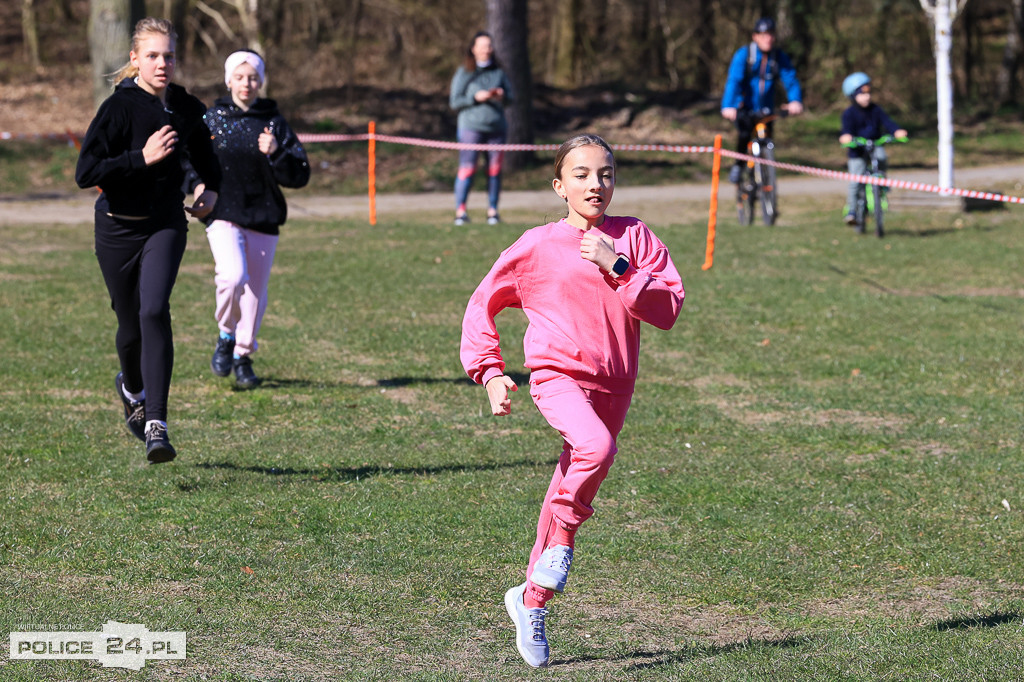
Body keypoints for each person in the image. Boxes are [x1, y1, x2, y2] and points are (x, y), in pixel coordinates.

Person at [460, 134, 685, 667]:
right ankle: (560, 544)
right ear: (560, 186)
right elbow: (482, 302)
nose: (595, 184)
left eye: (605, 174)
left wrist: (619, 266)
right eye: (581, 175)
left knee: (573, 473)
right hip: (556, 374)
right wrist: (490, 372)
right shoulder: (536, 244)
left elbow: (667, 309)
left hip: (616, 384)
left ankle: (531, 599)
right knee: (596, 449)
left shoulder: (634, 237)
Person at [75, 17, 221, 463]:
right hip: (117, 227)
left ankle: (157, 421)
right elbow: (86, 172)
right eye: (153, 55)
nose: (162, 64)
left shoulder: (186, 107)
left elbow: (206, 158)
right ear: (135, 59)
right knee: (129, 326)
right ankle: (131, 388)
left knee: (154, 309)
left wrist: (209, 190)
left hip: (165, 224)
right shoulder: (118, 109)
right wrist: (141, 157)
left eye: (169, 56)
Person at [187, 50, 310, 388]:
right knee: (233, 276)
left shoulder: (274, 122)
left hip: (263, 215)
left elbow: (300, 174)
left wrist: (277, 152)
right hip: (223, 212)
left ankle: (243, 355)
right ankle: (226, 335)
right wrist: (196, 186)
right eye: (240, 77)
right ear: (228, 80)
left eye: (253, 78)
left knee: (255, 294)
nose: (247, 84)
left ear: (261, 82)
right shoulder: (211, 119)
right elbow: (189, 159)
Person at [720, 16, 804, 183]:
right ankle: (738, 166)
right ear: (755, 37)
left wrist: (795, 100)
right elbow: (734, 81)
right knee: (744, 135)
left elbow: (790, 80)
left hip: (767, 110)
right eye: (764, 35)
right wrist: (729, 105)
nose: (768, 38)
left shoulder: (778, 57)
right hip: (745, 108)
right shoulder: (744, 55)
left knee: (768, 141)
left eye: (771, 34)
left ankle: (767, 183)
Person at [448, 31, 514, 226]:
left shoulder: (499, 72)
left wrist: (502, 96)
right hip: (471, 127)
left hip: (497, 128)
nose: (487, 49)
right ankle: (461, 212)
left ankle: (493, 212)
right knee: (467, 169)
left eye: (489, 46)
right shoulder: (464, 72)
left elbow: (511, 98)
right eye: (483, 46)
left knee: (494, 170)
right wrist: (474, 98)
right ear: (473, 49)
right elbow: (455, 101)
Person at [838, 72, 908, 225]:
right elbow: (846, 130)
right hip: (857, 150)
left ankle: (881, 185)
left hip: (875, 145)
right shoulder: (849, 114)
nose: (866, 97)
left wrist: (896, 131)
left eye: (868, 93)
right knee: (855, 181)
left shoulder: (876, 110)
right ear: (852, 96)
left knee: (882, 157)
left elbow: (887, 122)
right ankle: (852, 210)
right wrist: (846, 137)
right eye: (862, 94)